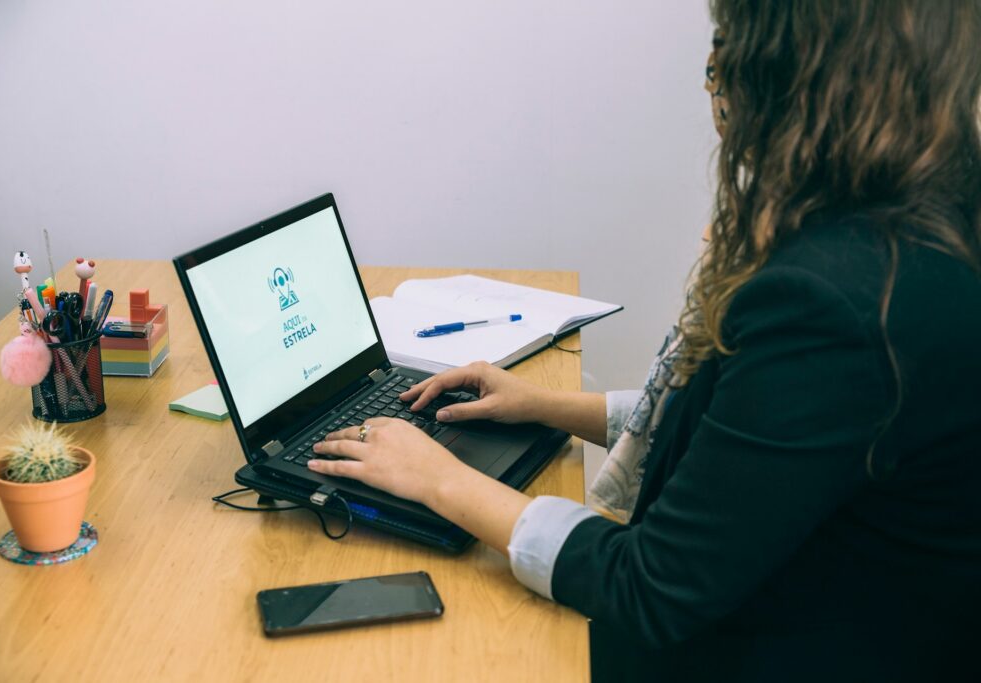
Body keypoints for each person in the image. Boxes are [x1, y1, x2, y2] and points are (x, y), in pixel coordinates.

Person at [311, 1, 981, 680]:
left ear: (792, 77)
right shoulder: (920, 232)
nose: (714, 85)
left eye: (725, 56)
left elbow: (648, 586)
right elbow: (743, 436)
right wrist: (544, 405)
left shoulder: (836, 298)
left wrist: (440, 479)